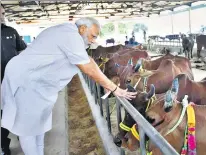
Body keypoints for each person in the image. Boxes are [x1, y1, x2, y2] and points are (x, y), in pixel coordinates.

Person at [1, 17, 137, 155]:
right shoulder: (70, 35)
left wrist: (105, 83)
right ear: (83, 28)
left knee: (39, 126)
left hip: (38, 84)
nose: (93, 40)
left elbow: (88, 60)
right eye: (93, 36)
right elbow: (88, 67)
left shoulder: (71, 34)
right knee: (29, 129)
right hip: (26, 81)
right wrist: (114, 88)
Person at [1, 3, 27, 155]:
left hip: (13, 81)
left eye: (3, 13)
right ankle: (4, 146)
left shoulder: (11, 31)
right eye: (0, 13)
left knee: (18, 111)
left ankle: (24, 139)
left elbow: (22, 51)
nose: (2, 16)